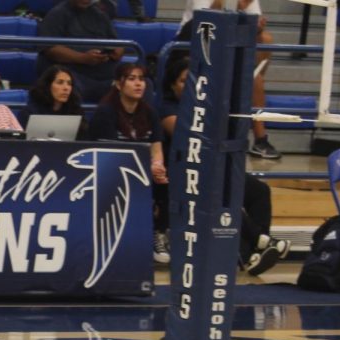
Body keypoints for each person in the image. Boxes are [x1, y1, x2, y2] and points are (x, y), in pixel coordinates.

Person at [160, 57, 286, 274]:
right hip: (183, 176)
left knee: (258, 190)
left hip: (213, 171)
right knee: (226, 195)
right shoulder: (167, 108)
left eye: (194, 81)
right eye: (183, 81)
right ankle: (260, 242)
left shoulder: (207, 106)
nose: (190, 86)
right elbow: (190, 137)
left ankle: (257, 252)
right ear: (172, 84)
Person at [86, 62, 170, 263]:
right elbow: (109, 152)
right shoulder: (105, 112)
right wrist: (147, 168)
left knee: (167, 182)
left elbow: (156, 146)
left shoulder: (149, 113)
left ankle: (158, 232)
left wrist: (157, 166)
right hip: (112, 171)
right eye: (131, 79)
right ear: (118, 84)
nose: (138, 84)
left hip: (145, 170)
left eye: (141, 79)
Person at [177, 0, 281, 159]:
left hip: (229, 44)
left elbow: (253, 26)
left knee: (262, 49)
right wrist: (236, 4)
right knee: (249, 76)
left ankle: (260, 139)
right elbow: (205, 18)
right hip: (193, 42)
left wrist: (257, 29)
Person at [36, 0, 122, 104]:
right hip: (75, 76)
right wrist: (83, 58)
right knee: (66, 85)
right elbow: (50, 49)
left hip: (105, 78)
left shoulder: (100, 15)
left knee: (140, 83)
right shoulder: (57, 14)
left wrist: (117, 50)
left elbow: (116, 43)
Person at [17, 64, 86, 139]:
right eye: (60, 82)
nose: (66, 88)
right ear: (47, 85)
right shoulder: (30, 112)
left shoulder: (76, 111)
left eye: (69, 84)